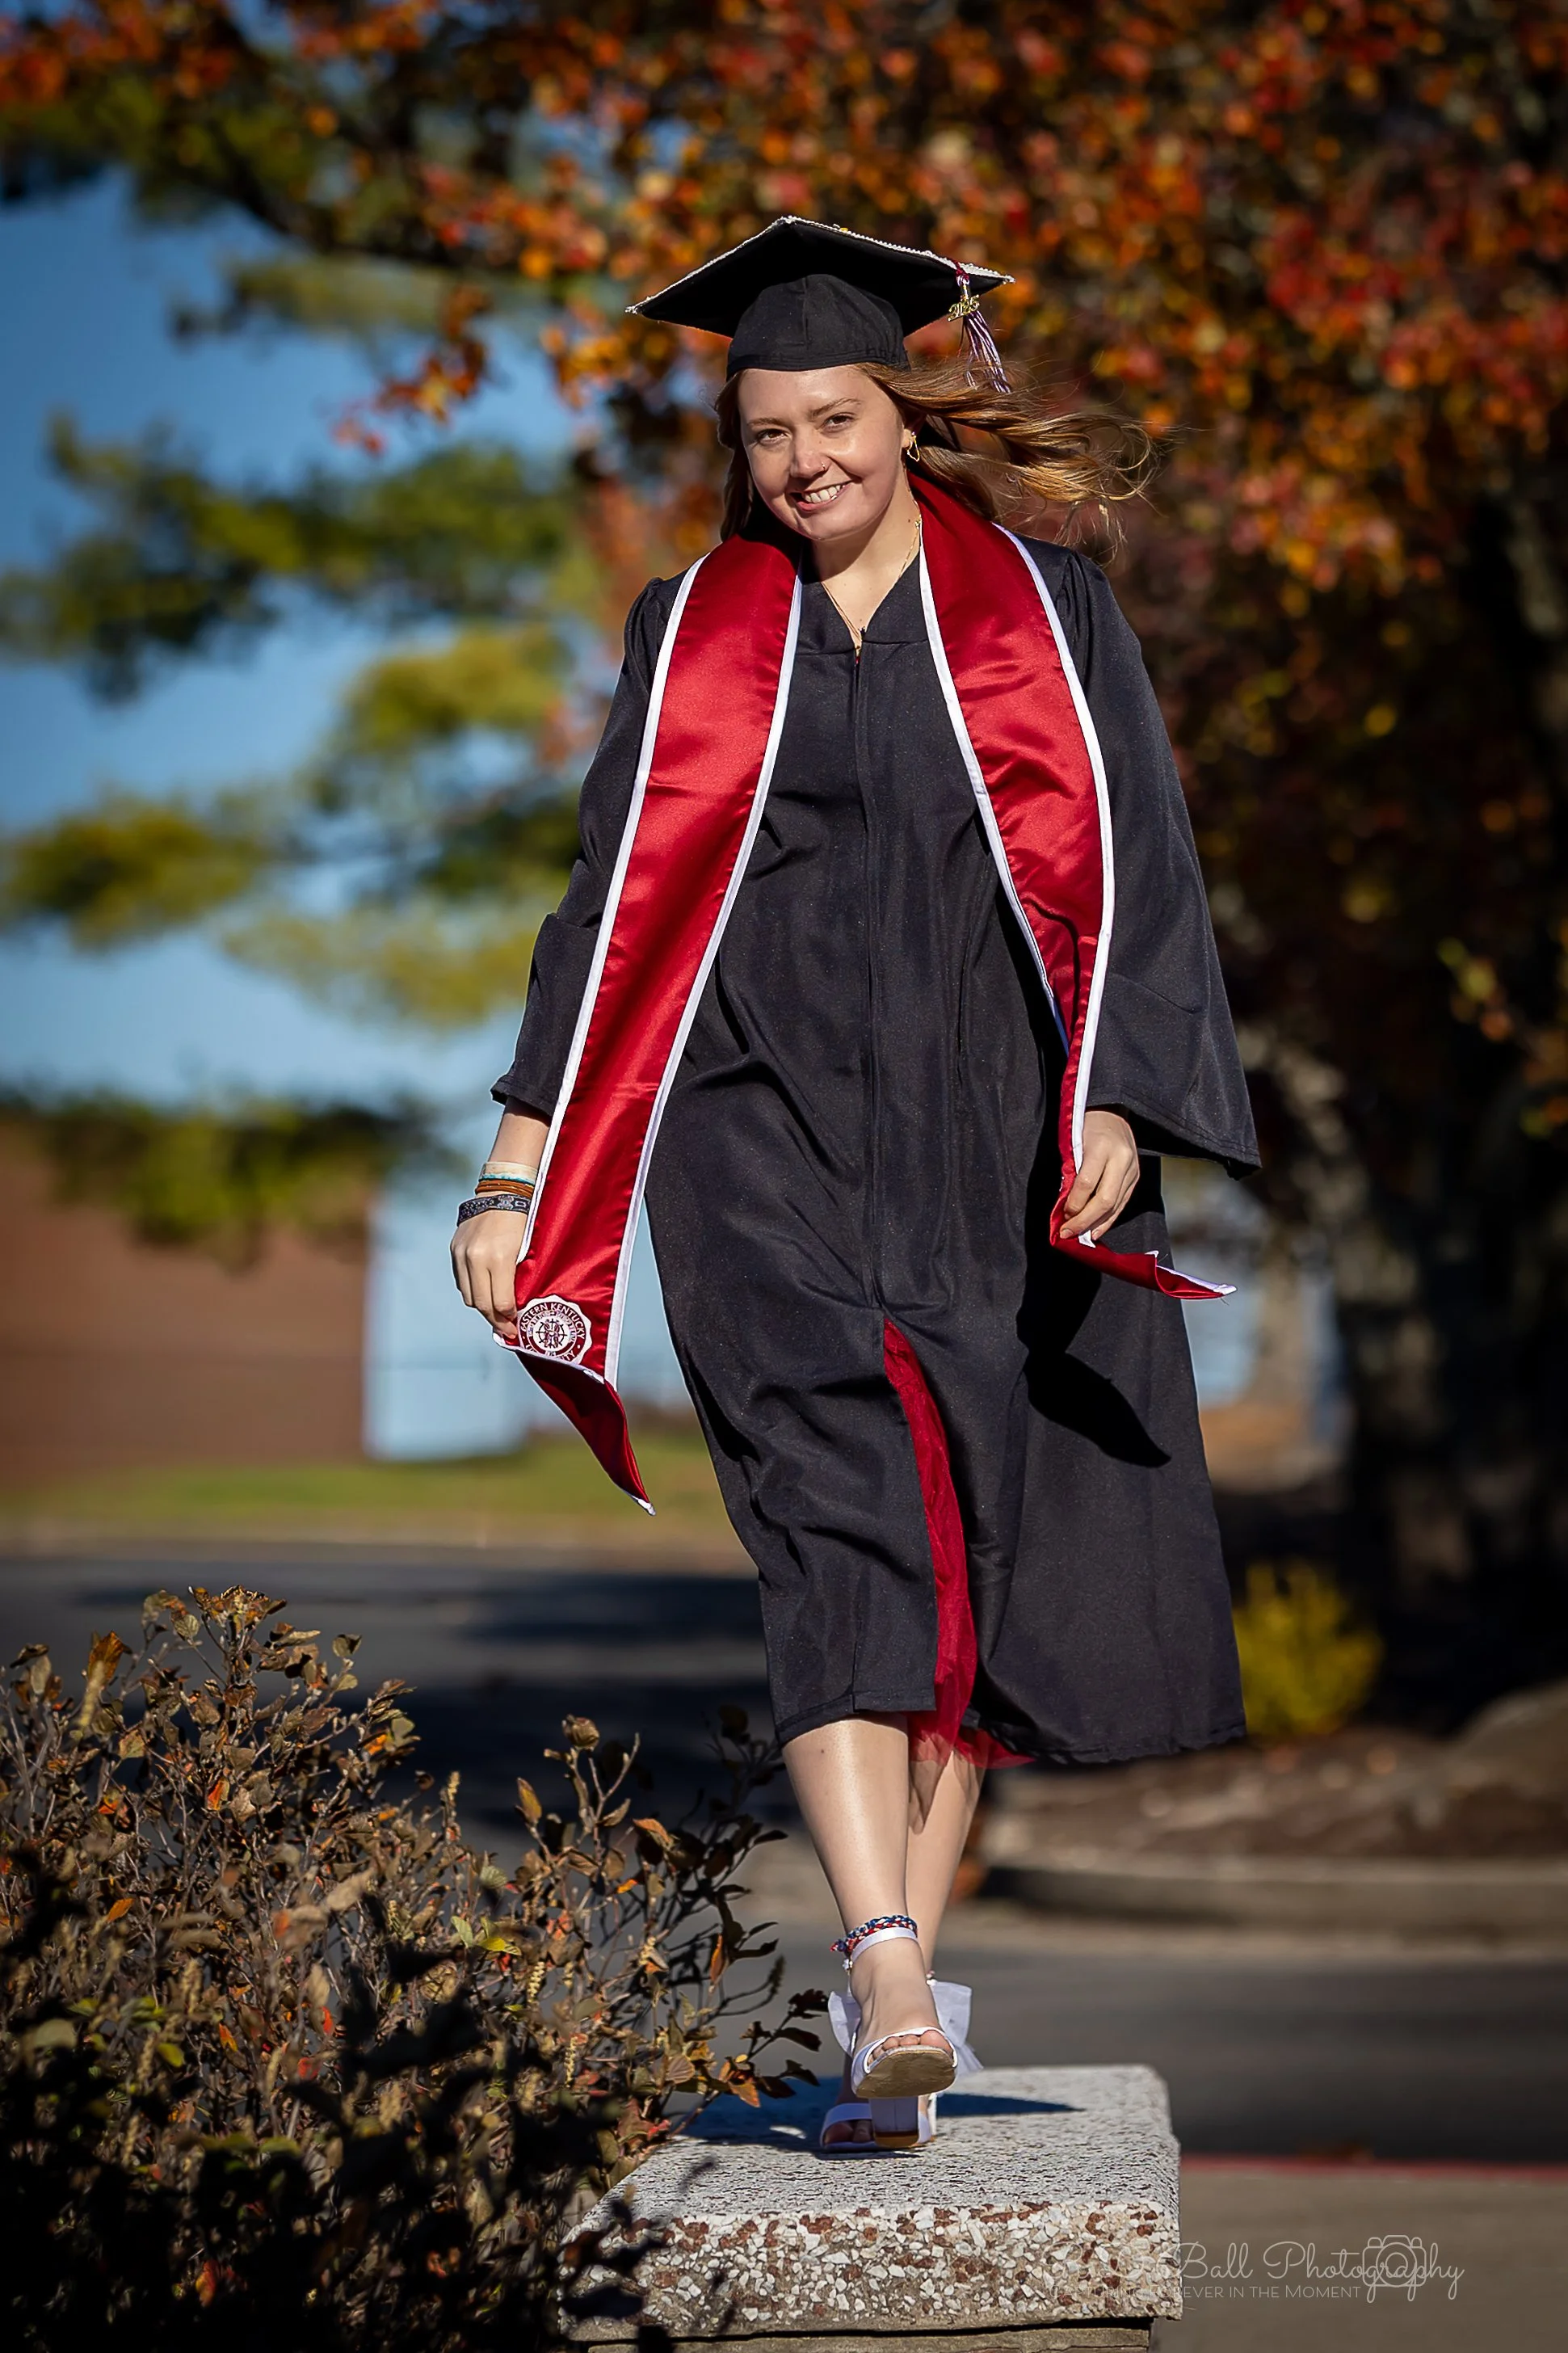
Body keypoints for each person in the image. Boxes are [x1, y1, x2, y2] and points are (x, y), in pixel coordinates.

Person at [452, 218, 1259, 2151]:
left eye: (832, 418)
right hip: (754, 1130)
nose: (800, 460)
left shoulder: (1047, 611)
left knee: (972, 1560)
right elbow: (606, 910)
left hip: (998, 1129)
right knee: (835, 1528)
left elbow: (1138, 853)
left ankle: (902, 2035)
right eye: (764, 432)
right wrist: (515, 1162)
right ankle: (886, 1962)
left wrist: (1123, 1101)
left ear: (901, 415)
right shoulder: (693, 630)